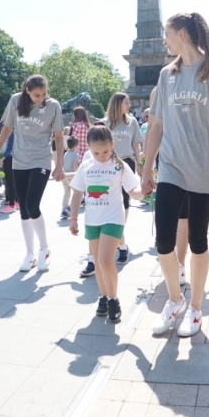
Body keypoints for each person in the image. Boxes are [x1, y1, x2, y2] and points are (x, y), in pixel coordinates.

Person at [141, 12, 209, 338]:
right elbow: (157, 124)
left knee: (197, 240)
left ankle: (195, 308)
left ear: (181, 34)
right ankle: (174, 300)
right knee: (163, 241)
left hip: (205, 168)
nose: (164, 41)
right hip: (171, 166)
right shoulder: (166, 74)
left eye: (167, 35)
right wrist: (146, 167)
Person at [68, 126, 142, 323]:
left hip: (113, 219)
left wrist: (147, 191)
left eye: (106, 151)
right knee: (98, 263)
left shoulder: (119, 165)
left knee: (105, 261)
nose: (101, 156)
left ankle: (114, 299)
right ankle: (104, 296)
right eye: (96, 152)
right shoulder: (86, 166)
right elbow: (76, 193)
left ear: (113, 145)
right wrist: (73, 218)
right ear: (89, 150)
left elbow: (133, 191)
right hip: (92, 221)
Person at [0, 75, 65, 272]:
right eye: (36, 95)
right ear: (27, 90)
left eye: (43, 94)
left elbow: (59, 137)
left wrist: (59, 164)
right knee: (24, 210)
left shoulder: (53, 106)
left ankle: (44, 248)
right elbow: (7, 128)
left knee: (32, 204)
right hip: (19, 161)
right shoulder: (15, 101)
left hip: (41, 160)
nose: (41, 98)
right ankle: (30, 254)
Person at [107, 92, 144, 264]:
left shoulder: (132, 122)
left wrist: (141, 163)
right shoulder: (106, 124)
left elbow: (136, 144)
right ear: (117, 104)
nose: (129, 105)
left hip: (127, 163)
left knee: (124, 201)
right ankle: (121, 243)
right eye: (126, 103)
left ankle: (119, 238)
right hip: (109, 164)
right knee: (113, 203)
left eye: (129, 102)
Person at [61, 137, 80, 221]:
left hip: (64, 175)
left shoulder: (66, 153)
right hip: (71, 177)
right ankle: (69, 209)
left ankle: (64, 209)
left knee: (66, 193)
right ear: (75, 145)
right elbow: (75, 167)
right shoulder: (75, 154)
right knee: (77, 194)